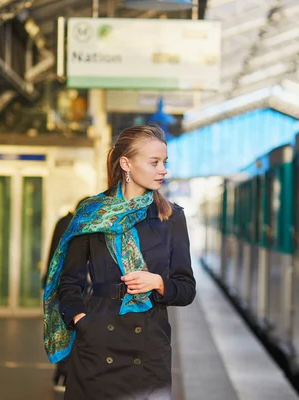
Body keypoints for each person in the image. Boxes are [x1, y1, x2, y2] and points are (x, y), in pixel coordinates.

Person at [43, 125, 196, 400]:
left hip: (149, 349)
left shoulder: (171, 218)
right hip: (96, 345)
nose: (163, 170)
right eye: (154, 162)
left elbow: (186, 289)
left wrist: (159, 282)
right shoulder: (92, 213)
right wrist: (81, 321)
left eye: (164, 162)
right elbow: (68, 283)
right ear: (126, 163)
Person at [42, 197, 89, 392]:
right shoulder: (72, 225)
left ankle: (61, 374)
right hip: (65, 285)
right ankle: (63, 374)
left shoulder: (62, 221)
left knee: (60, 328)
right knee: (66, 328)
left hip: (57, 283)